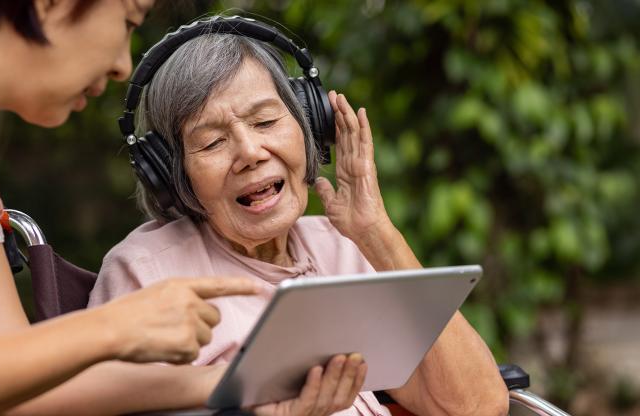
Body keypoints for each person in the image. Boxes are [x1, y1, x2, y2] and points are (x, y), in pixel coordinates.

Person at [0, 1, 366, 414]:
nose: (121, 67)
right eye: (128, 20)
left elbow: (21, 394)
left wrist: (246, 388)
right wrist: (116, 326)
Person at [89, 24, 511, 416]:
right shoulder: (146, 271)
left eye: (266, 121)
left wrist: (376, 233)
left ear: (308, 126)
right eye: (213, 141)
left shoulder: (341, 246)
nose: (250, 151)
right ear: (171, 174)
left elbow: (476, 406)